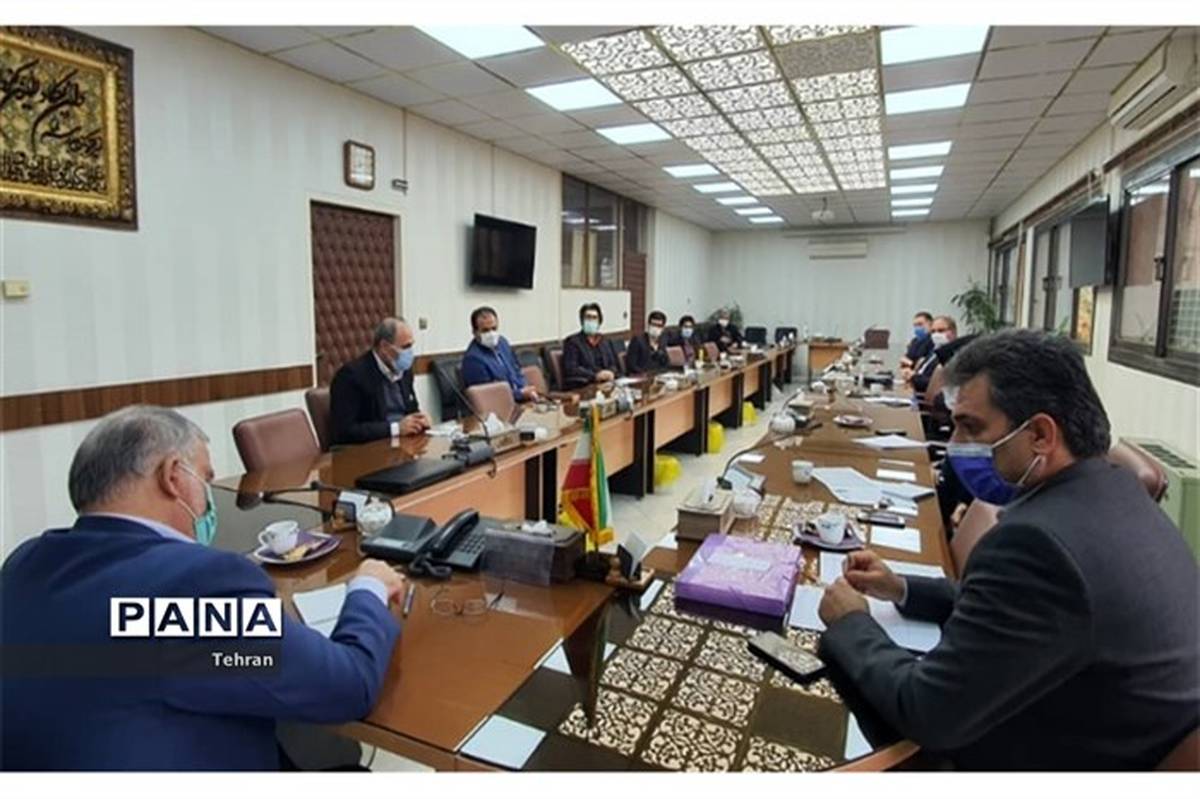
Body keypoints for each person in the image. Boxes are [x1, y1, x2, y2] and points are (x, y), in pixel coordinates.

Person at [816, 329, 1198, 770]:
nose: (956, 445)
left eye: (972, 428)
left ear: (1040, 434)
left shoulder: (1039, 544)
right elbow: (1017, 611)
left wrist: (853, 622)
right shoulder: (1118, 494)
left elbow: (927, 712)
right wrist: (900, 587)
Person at [0, 406, 406, 770]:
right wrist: (368, 587)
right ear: (173, 476)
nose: (208, 497)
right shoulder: (194, 585)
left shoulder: (23, 563)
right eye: (206, 478)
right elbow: (347, 686)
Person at [330, 317, 430, 445]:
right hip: (370, 450)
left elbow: (411, 410)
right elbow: (345, 431)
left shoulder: (405, 372)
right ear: (384, 347)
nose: (409, 353)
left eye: (411, 345)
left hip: (404, 445)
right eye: (405, 347)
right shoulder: (351, 376)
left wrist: (420, 419)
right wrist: (395, 429)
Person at [460, 306, 538, 403]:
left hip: (521, 400)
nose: (491, 334)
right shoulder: (473, 359)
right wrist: (520, 394)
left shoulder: (502, 343)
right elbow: (489, 395)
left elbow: (516, 369)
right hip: (499, 406)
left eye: (494, 328)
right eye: (485, 330)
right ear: (475, 332)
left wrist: (525, 387)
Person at [561, 302, 623, 389]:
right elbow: (571, 369)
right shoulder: (572, 342)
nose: (591, 321)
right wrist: (595, 376)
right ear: (582, 321)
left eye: (594, 318)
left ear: (599, 322)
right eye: (588, 317)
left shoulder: (605, 341)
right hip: (586, 386)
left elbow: (613, 364)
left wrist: (611, 373)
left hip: (607, 384)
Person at [907, 314, 961, 393]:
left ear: (953, 332)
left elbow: (938, 384)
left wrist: (913, 377)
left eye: (941, 330)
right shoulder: (934, 351)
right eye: (933, 331)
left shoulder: (955, 354)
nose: (936, 334)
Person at [625, 310, 671, 374]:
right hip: (641, 376)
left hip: (658, 375)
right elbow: (631, 365)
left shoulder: (662, 341)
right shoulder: (638, 341)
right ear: (648, 325)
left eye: (659, 325)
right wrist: (645, 375)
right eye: (653, 324)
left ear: (663, 328)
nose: (655, 328)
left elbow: (666, 362)